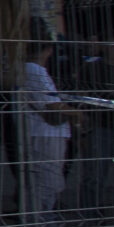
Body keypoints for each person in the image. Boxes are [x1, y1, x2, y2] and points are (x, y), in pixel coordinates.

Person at [20, 47, 81, 218]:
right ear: (48, 50)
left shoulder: (29, 69)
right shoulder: (34, 70)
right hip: (45, 134)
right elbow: (52, 106)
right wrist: (78, 113)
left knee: (44, 179)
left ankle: (39, 218)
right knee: (47, 181)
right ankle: (39, 221)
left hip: (44, 132)